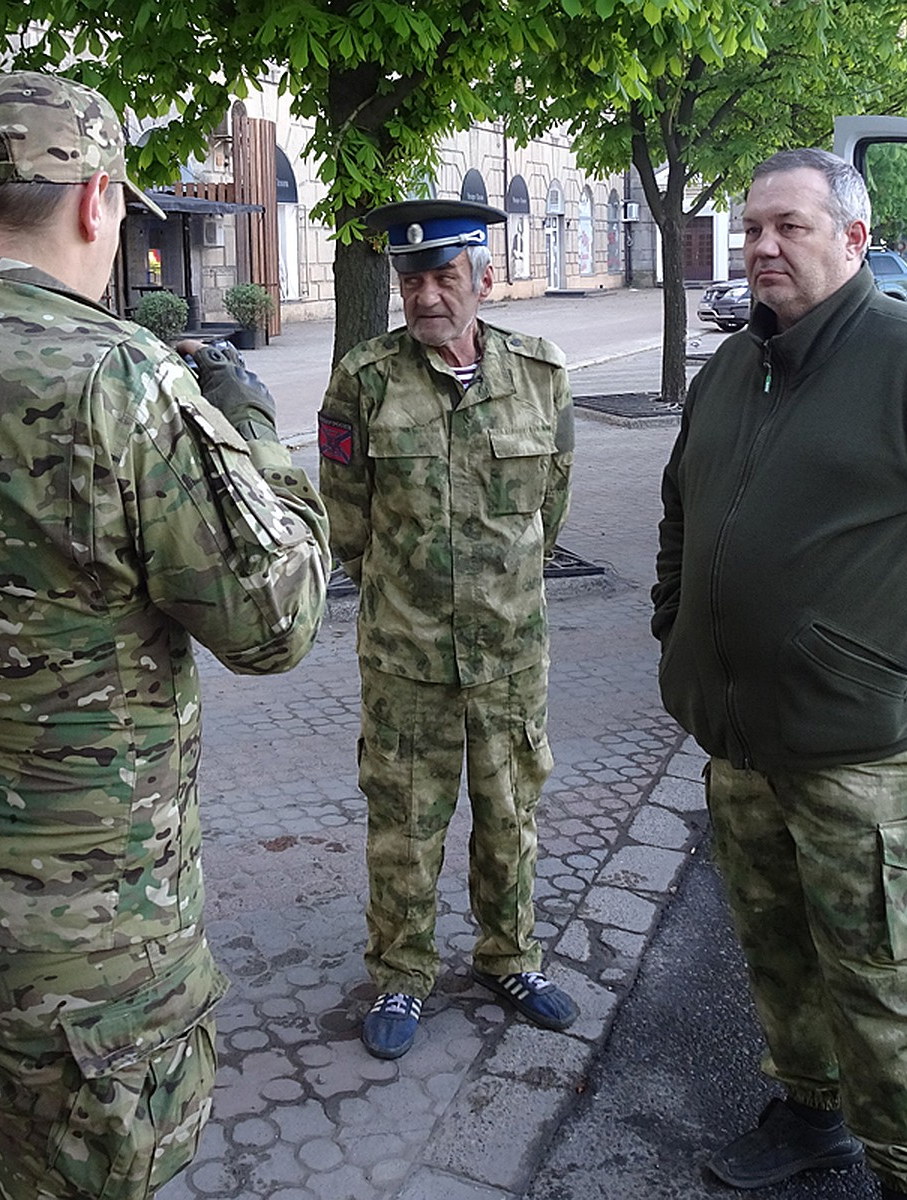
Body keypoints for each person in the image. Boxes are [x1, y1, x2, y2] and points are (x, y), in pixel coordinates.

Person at [0, 71, 330, 1199]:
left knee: (22, 1152)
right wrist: (254, 434)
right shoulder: (117, 378)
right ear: (96, 204)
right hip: (90, 938)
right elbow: (278, 623)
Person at [651, 148, 907, 1199]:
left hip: (864, 752)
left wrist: (893, 630)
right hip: (743, 742)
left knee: (883, 979)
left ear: (854, 239)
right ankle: (808, 1113)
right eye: (751, 229)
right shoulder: (735, 369)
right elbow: (684, 516)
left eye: (790, 225)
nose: (764, 246)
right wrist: (678, 631)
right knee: (776, 948)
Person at [317, 199, 578, 1059]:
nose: (426, 296)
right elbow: (345, 517)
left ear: (483, 280)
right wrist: (403, 594)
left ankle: (510, 957)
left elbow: (553, 505)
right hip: (405, 658)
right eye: (411, 280)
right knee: (403, 825)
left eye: (444, 277)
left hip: (510, 657)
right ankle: (400, 973)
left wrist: (497, 591)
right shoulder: (364, 378)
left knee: (511, 816)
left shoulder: (540, 374)